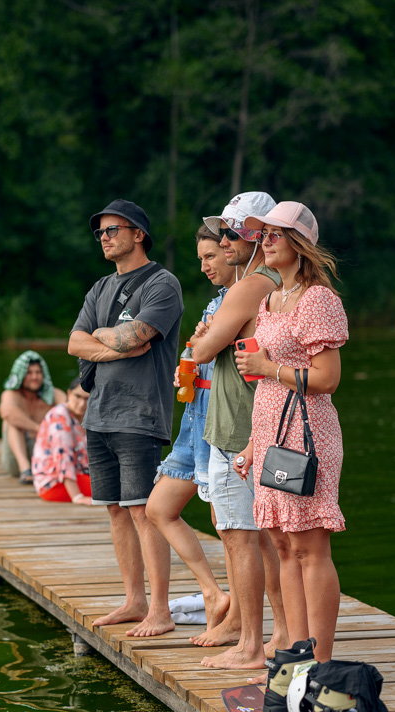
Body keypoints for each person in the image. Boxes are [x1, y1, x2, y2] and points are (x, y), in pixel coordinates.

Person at [233, 201, 347, 664]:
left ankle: (320, 662)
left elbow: (326, 379)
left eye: (277, 234)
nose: (266, 241)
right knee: (282, 542)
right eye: (263, 235)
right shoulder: (269, 299)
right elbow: (263, 382)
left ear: (300, 243)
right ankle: (296, 654)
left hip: (307, 434)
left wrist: (267, 367)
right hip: (270, 432)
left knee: (308, 544)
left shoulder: (318, 299)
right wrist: (251, 445)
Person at [184, 192, 292, 670]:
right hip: (237, 422)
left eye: (232, 232)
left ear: (256, 235)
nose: (225, 241)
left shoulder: (250, 285)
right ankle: (281, 634)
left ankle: (250, 643)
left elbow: (202, 349)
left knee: (240, 534)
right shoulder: (265, 282)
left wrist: (205, 338)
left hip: (238, 428)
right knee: (259, 535)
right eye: (223, 232)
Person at [68, 199, 184, 637]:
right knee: (116, 510)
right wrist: (109, 342)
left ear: (138, 234)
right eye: (99, 232)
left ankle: (160, 610)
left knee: (142, 511)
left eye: (112, 229)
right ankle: (134, 601)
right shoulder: (99, 287)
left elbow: (138, 335)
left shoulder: (162, 283)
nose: (104, 237)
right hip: (98, 414)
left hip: (139, 413)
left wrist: (110, 338)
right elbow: (75, 344)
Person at [144, 226, 231, 641]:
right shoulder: (217, 301)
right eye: (201, 258)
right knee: (158, 508)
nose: (204, 265)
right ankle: (213, 595)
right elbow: (196, 352)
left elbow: (209, 351)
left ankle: (238, 620)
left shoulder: (246, 297)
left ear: (233, 251)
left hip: (219, 421)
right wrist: (194, 346)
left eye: (210, 256)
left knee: (227, 524)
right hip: (193, 419)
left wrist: (198, 346)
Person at [0, 351, 65, 484]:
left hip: (46, 456)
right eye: (29, 373)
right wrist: (39, 428)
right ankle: (25, 470)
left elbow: (70, 410)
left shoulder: (53, 395)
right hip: (16, 462)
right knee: (12, 422)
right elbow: (7, 412)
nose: (34, 377)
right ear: (21, 375)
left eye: (38, 372)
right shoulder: (11, 394)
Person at [32, 376, 92, 503]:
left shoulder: (86, 416)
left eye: (87, 399)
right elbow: (63, 457)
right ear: (69, 394)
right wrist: (77, 497)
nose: (82, 404)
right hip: (54, 483)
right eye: (78, 396)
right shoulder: (59, 416)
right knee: (112, 491)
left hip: (80, 475)